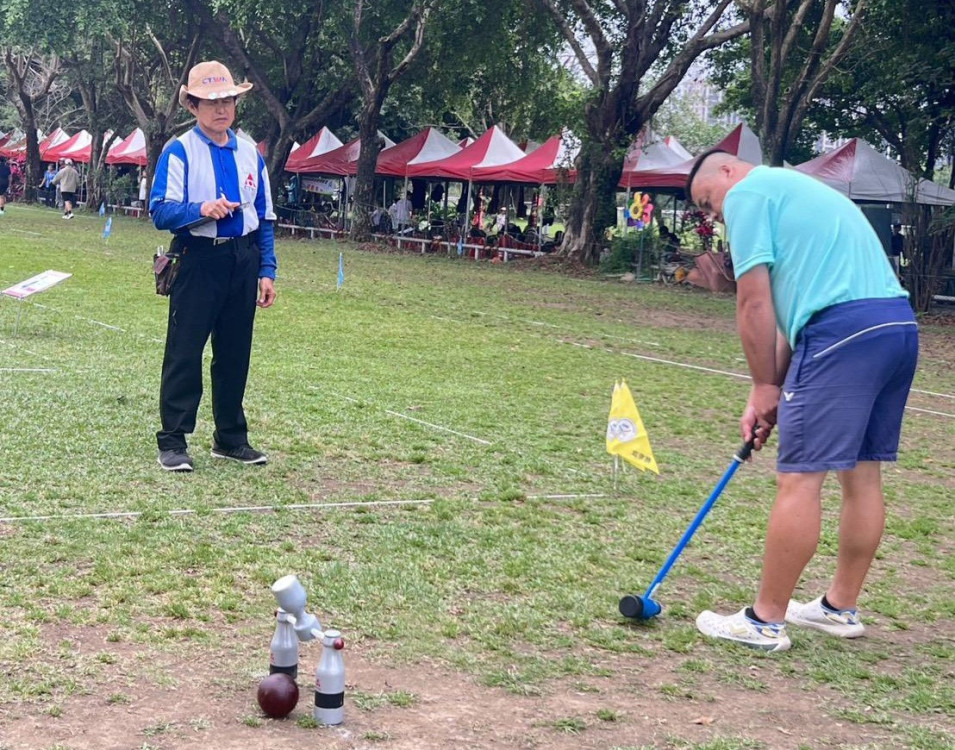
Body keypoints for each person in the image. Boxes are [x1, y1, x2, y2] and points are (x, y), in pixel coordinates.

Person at [685, 149, 918, 653]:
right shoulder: (799, 192)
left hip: (841, 333)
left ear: (727, 171)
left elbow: (754, 301)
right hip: (894, 328)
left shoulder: (748, 193)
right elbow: (796, 318)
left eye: (707, 203)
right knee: (862, 474)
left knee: (800, 478)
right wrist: (768, 389)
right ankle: (838, 607)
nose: (714, 215)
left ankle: (765, 621)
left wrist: (763, 386)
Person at [149, 60, 277, 472]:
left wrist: (267, 270)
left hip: (243, 259)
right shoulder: (179, 151)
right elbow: (160, 211)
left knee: (235, 353)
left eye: (228, 101)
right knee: (184, 351)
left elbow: (264, 216)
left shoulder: (250, 152)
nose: (221, 109)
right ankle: (173, 441)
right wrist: (201, 209)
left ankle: (231, 439)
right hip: (197, 259)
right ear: (193, 106)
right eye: (211, 102)